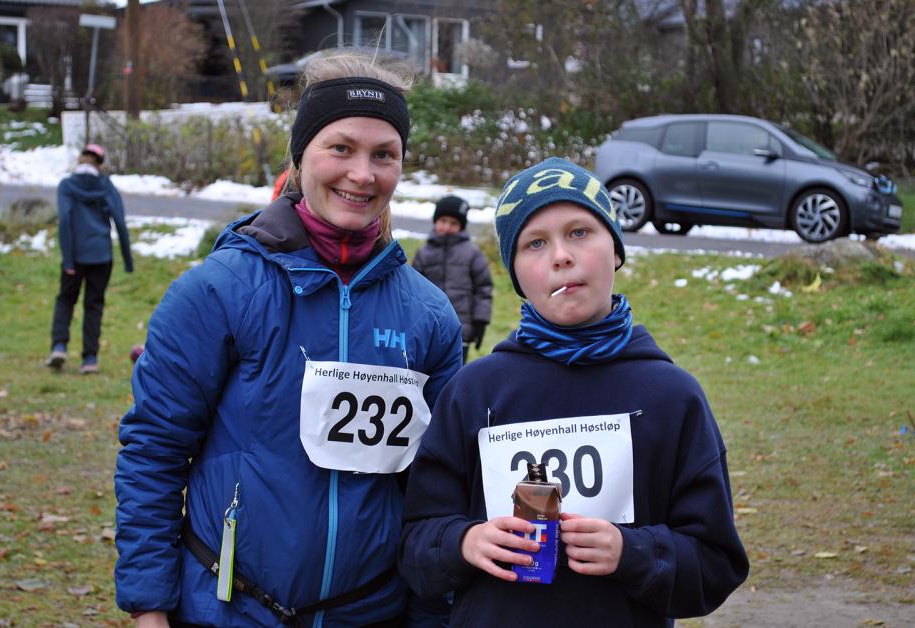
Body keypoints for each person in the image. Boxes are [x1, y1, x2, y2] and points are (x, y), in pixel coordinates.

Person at [114, 50, 464, 627]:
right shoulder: (218, 291)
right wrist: (149, 607)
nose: (363, 174)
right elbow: (154, 451)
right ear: (302, 157)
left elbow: (437, 489)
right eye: (341, 148)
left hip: (373, 613)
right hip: (229, 611)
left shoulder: (429, 315)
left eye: (385, 155)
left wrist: (431, 614)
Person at [398, 157, 749, 625]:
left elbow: (715, 565)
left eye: (580, 232)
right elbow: (417, 544)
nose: (561, 256)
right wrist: (465, 543)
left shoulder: (673, 397)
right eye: (535, 243)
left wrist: (633, 551)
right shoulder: (472, 392)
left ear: (617, 249)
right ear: (516, 274)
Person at [45, 143, 133, 374]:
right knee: (94, 305)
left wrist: (68, 260)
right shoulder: (106, 185)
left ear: (80, 159)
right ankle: (90, 359)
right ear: (100, 164)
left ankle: (59, 347)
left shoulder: (67, 185)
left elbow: (65, 220)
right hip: (101, 256)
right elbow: (121, 223)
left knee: (66, 299)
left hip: (76, 255)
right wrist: (127, 258)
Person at [412, 195, 492, 362]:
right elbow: (412, 292)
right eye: (443, 221)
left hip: (461, 330)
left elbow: (483, 288)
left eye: (453, 223)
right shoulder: (424, 254)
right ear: (435, 221)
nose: (447, 227)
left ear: (461, 226)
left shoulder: (472, 254)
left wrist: (480, 321)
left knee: (456, 378)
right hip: (429, 330)